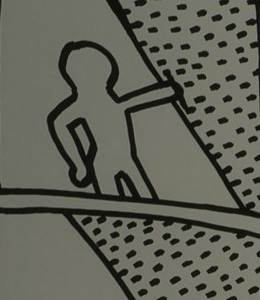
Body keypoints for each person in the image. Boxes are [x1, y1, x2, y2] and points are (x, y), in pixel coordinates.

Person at [47, 41, 180, 200]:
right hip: (105, 163)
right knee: (113, 201)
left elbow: (136, 100)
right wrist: (78, 164)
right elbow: (59, 123)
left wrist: (167, 91)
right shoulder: (84, 105)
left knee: (146, 200)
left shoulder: (112, 103)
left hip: (127, 159)